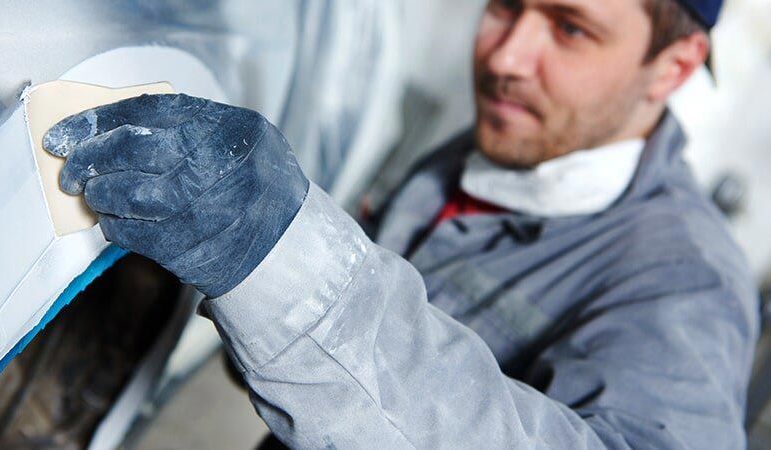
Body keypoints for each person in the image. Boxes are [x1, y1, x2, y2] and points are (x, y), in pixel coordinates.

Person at [42, 0, 759, 447]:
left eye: (570, 27)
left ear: (672, 66)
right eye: (507, 3)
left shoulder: (687, 284)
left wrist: (286, 269)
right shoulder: (486, 157)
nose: (506, 56)